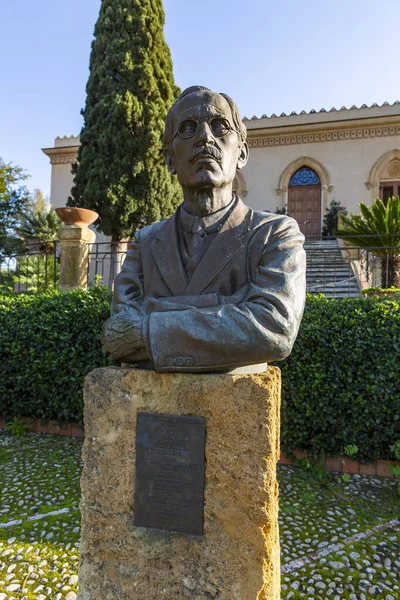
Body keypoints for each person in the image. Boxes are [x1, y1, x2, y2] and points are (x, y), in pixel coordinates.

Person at [102, 85, 306, 372]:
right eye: (187, 128)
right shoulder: (145, 242)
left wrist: (150, 326)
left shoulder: (275, 235)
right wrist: (227, 309)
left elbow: (274, 328)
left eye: (220, 126)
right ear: (170, 160)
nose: (205, 137)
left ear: (242, 153)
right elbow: (119, 332)